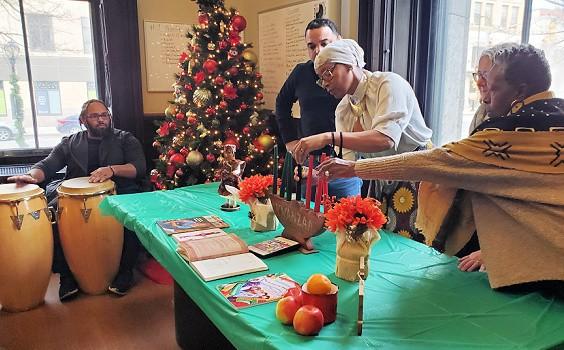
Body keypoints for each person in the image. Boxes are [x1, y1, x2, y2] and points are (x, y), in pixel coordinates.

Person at [316, 44, 564, 298]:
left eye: (493, 88)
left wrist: (354, 167)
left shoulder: (504, 134)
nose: (485, 97)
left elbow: (436, 161)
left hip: (549, 274)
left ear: (519, 92)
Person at [8, 99, 147, 300]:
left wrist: (112, 170)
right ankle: (67, 277)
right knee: (52, 217)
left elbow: (138, 167)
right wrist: (32, 176)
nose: (101, 120)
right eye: (95, 116)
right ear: (83, 120)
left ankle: (125, 272)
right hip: (75, 199)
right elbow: (47, 165)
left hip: (120, 192)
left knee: (131, 214)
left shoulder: (125, 139)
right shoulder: (70, 142)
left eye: (104, 115)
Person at [294, 39, 432, 240]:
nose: (324, 83)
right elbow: (351, 166)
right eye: (320, 78)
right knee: (379, 240)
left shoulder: (388, 84)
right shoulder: (343, 109)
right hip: (380, 174)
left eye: (327, 73)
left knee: (414, 241)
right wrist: (320, 176)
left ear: (349, 63)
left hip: (416, 172)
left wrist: (327, 137)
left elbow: (385, 139)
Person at [275, 18, 362, 199]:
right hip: (311, 163)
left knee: (347, 220)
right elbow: (281, 104)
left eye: (324, 43)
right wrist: (291, 141)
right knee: (309, 218)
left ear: (339, 40)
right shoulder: (301, 73)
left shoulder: (352, 71)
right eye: (312, 46)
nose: (318, 51)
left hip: (344, 161)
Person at [458, 42, 519, 273]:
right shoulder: (486, 110)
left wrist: (494, 249)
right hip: (483, 221)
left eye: (486, 75)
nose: (481, 82)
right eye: (478, 74)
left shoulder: (527, 127)